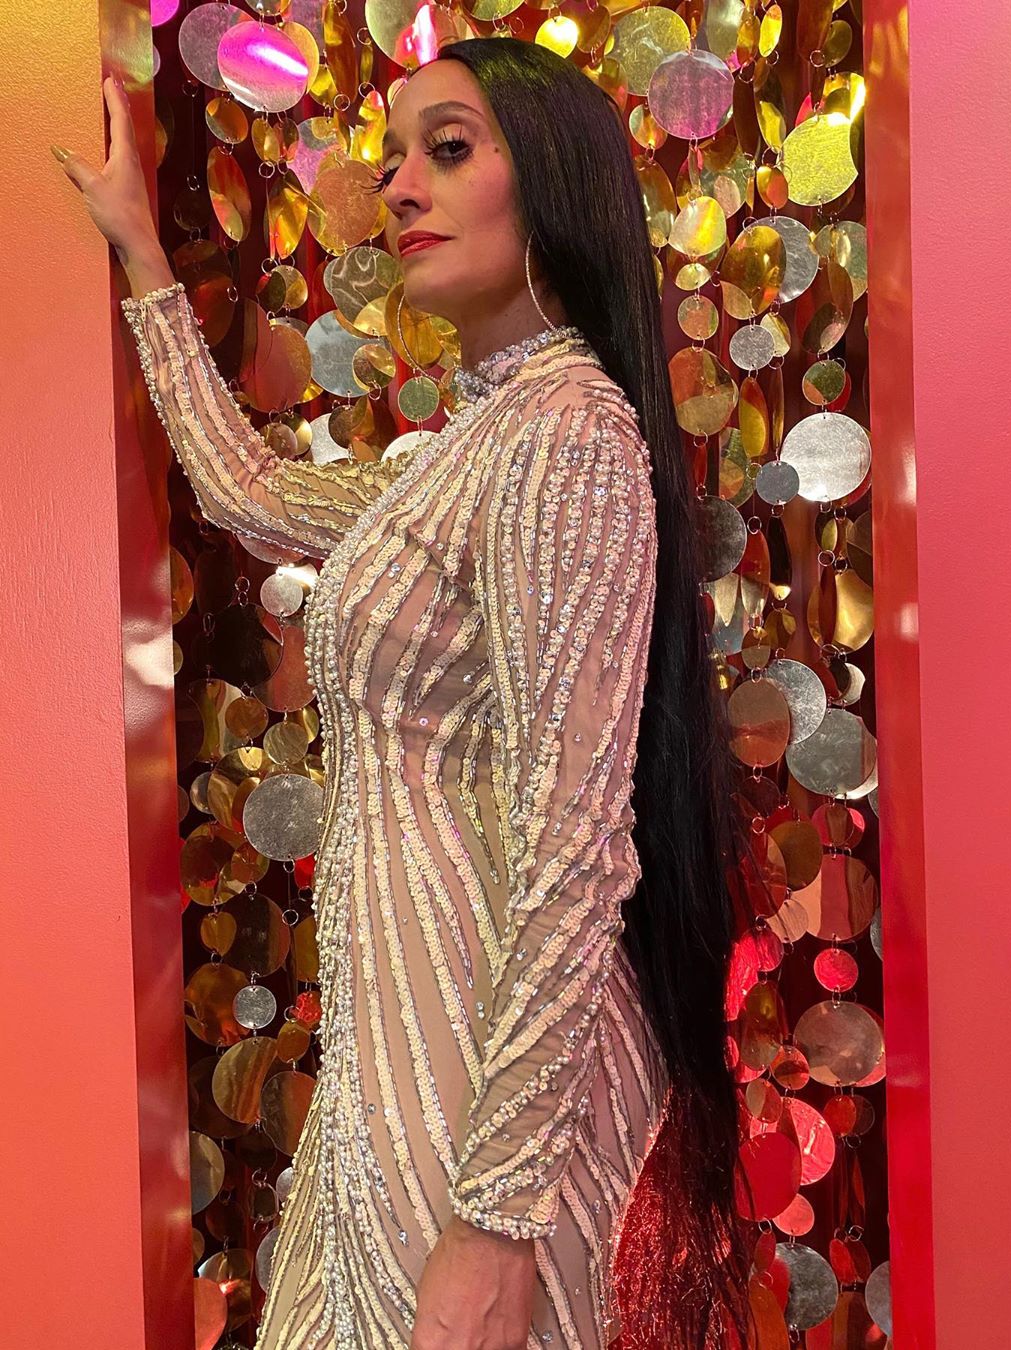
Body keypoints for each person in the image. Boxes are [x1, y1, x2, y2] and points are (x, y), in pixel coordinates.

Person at [57, 37, 752, 1350]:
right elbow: (255, 497)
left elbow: (572, 846)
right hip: (397, 1073)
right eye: (392, 161)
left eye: (448, 148)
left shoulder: (569, 438)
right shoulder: (467, 452)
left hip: (483, 1118)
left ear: (550, 178)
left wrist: (497, 1222)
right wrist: (143, 255)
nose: (401, 187)